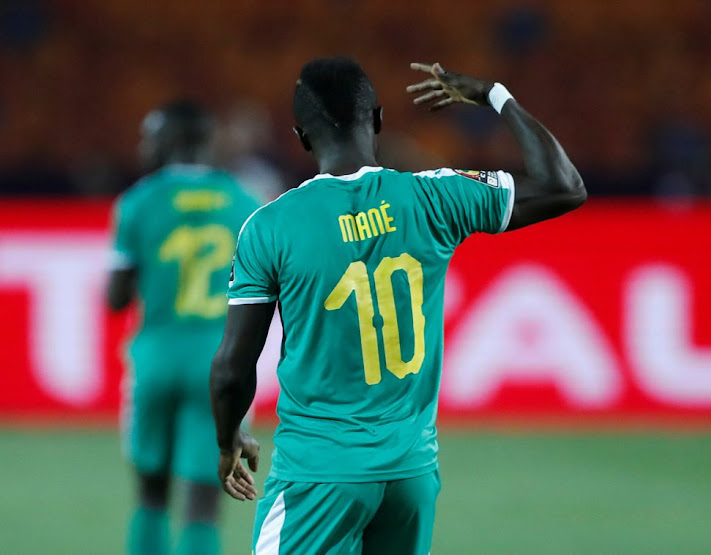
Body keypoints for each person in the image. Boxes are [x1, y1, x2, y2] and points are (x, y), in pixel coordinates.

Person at [209, 57, 586, 554]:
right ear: (379, 120)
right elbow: (565, 187)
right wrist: (495, 94)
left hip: (320, 476)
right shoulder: (435, 196)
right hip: (411, 474)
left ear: (300, 137)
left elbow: (234, 368)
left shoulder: (271, 226)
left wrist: (227, 438)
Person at [107, 100, 260, 555]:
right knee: (203, 502)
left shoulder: (138, 201)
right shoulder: (243, 202)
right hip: (222, 363)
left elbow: (115, 298)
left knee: (152, 495)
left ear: (168, 141)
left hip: (155, 357)